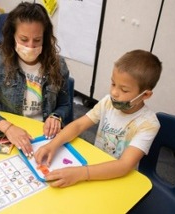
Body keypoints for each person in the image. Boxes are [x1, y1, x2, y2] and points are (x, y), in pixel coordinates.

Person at [34, 49, 162, 188]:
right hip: (95, 166)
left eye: (124, 90)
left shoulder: (149, 123)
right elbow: (78, 126)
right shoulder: (108, 102)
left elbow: (124, 165)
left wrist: (80, 173)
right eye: (113, 84)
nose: (114, 93)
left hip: (119, 178)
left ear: (145, 95)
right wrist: (52, 145)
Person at [0, 2, 71, 158]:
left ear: (45, 38)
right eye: (24, 39)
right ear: (12, 36)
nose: (30, 46)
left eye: (37, 40)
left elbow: (65, 105)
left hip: (44, 135)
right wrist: (8, 127)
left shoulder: (58, 65)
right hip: (13, 131)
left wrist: (56, 116)